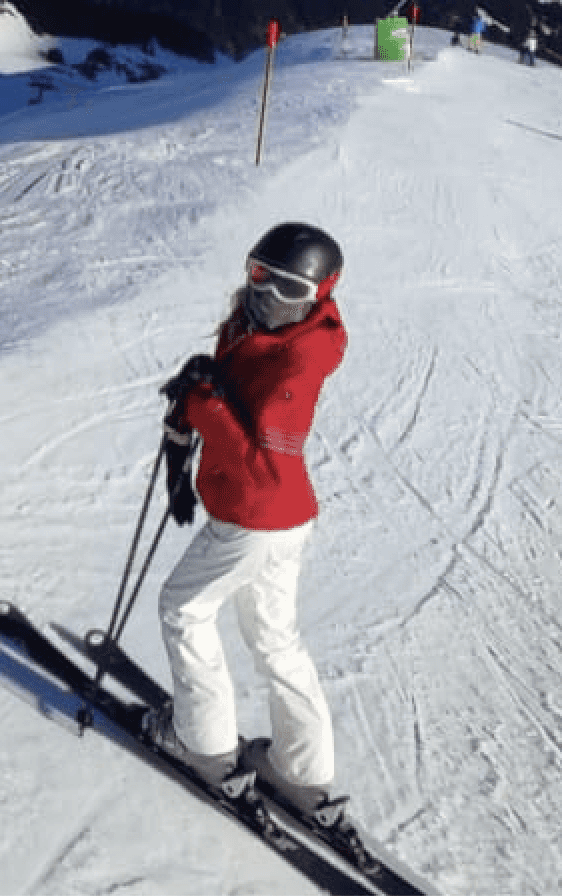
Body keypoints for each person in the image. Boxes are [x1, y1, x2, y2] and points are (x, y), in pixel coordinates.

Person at [146, 222, 350, 823]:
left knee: (184, 610)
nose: (266, 294)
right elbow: (229, 389)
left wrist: (203, 401)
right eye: (259, 274)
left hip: (254, 518)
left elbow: (258, 462)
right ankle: (301, 770)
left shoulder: (299, 365)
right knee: (274, 639)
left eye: (289, 288)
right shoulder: (257, 327)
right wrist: (198, 402)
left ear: (318, 296)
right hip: (282, 519)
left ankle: (204, 745)